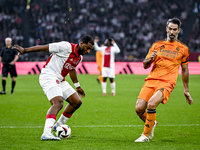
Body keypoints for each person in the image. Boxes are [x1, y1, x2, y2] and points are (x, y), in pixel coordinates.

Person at [12, 35, 94, 141]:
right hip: (49, 75)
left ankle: (57, 126)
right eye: (87, 48)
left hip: (60, 79)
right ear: (81, 43)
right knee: (58, 102)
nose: (88, 51)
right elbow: (45, 47)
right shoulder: (65, 46)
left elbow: (72, 69)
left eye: (90, 49)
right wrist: (25, 50)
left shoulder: (79, 57)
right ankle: (46, 133)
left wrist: (77, 86)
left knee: (76, 102)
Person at [134, 18, 193, 142]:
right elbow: (145, 65)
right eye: (170, 29)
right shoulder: (157, 45)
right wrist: (150, 59)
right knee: (139, 109)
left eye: (174, 29)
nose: (172, 31)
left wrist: (186, 90)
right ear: (166, 29)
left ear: (179, 31)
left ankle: (145, 136)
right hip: (151, 80)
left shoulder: (183, 49)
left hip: (167, 82)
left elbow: (185, 70)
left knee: (151, 104)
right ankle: (152, 123)